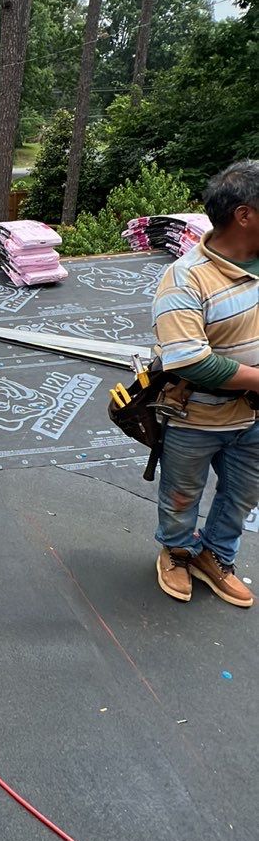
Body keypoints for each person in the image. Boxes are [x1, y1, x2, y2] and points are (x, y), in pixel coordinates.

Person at [153, 160, 259, 607]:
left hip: (252, 417)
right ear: (244, 214)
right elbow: (189, 360)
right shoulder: (186, 278)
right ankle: (177, 553)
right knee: (182, 494)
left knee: (242, 496)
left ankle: (214, 557)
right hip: (195, 416)